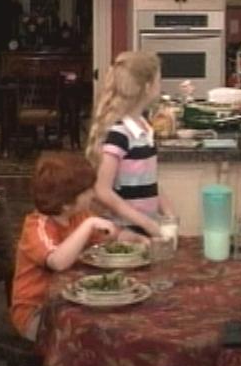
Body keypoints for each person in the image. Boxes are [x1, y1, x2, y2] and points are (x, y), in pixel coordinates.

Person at [11, 152, 145, 341]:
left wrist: (137, 239)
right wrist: (88, 226)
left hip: (73, 300)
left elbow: (112, 235)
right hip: (38, 313)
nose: (93, 194)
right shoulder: (37, 227)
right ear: (67, 203)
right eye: (87, 191)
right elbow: (57, 262)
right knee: (100, 334)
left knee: (121, 316)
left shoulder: (79, 216)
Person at [85, 51, 175, 236]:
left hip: (146, 227)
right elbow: (102, 190)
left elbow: (149, 180)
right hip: (123, 232)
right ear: (148, 87)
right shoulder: (119, 134)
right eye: (159, 80)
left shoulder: (144, 127)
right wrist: (145, 223)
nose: (160, 85)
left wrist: (169, 214)